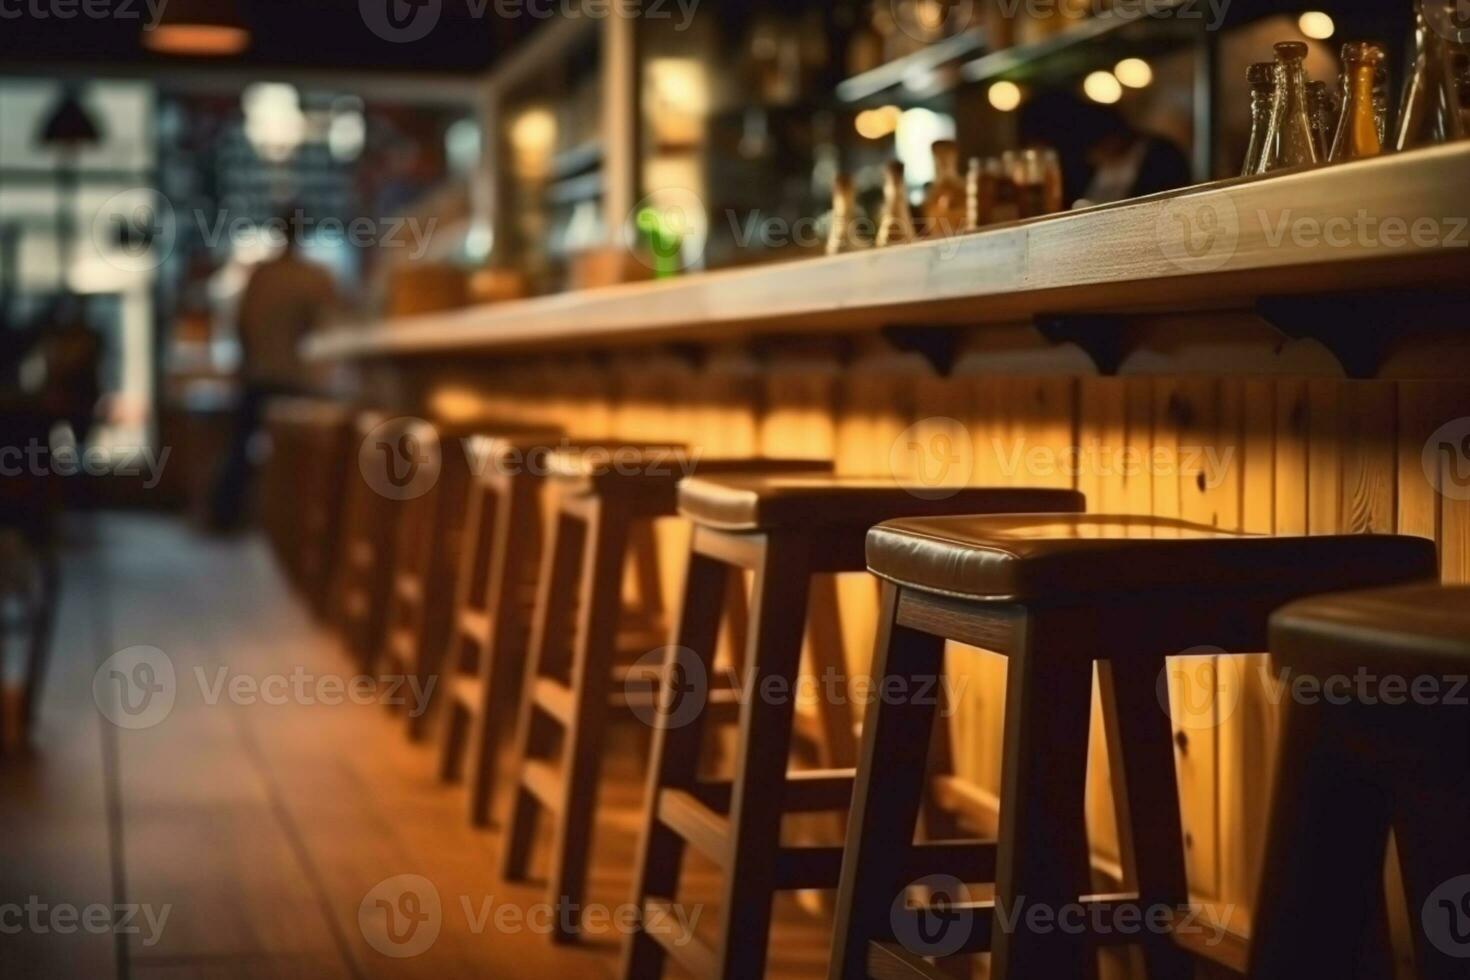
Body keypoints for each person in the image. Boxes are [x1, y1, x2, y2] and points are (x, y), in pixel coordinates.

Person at [209, 211, 338, 531]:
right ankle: (290, 521)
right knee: (289, 455)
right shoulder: (312, 276)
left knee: (241, 449)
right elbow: (330, 323)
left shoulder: (261, 274)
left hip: (258, 374)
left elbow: (240, 325)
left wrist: (245, 364)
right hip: (293, 380)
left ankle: (224, 516)